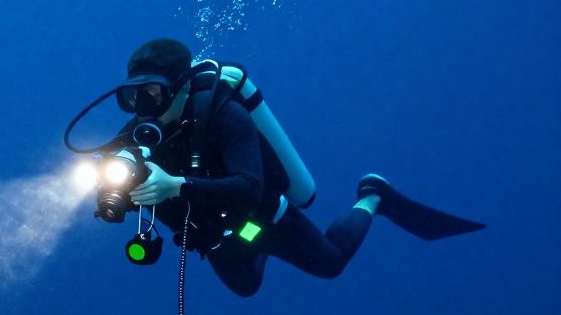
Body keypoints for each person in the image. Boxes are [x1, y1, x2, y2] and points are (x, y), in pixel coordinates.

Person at [117, 38, 483, 297]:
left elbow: (249, 187)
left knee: (330, 264)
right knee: (246, 287)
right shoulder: (137, 133)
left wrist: (176, 186)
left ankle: (373, 196)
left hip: (262, 217)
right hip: (215, 236)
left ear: (180, 87)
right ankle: (255, 250)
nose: (142, 107)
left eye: (153, 94)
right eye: (132, 97)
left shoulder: (226, 116)